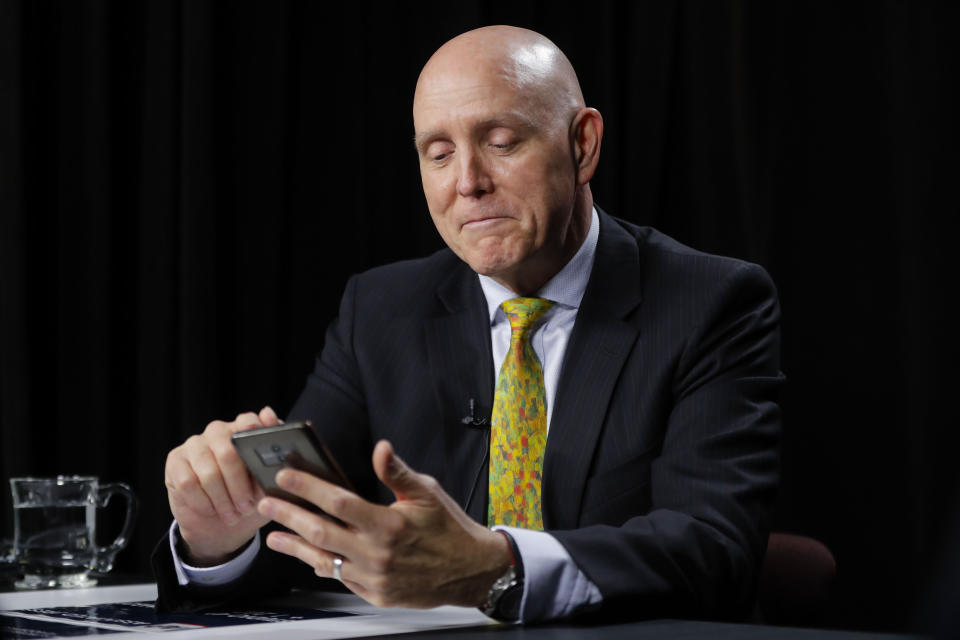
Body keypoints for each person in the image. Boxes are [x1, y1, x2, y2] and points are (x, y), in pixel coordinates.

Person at [153, 25, 783, 623]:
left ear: (583, 144)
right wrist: (217, 536)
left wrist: (493, 570)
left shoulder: (711, 301)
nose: (468, 183)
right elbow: (306, 528)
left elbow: (713, 549)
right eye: (439, 153)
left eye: (501, 142)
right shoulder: (380, 308)